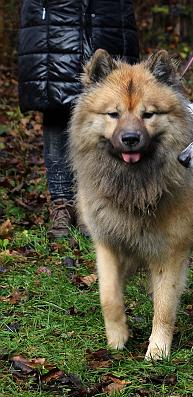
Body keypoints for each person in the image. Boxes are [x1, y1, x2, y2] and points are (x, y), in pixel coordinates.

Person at [17, 0, 139, 240]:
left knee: (112, 113)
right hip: (53, 19)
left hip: (107, 18)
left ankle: (97, 204)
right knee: (55, 109)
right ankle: (62, 204)